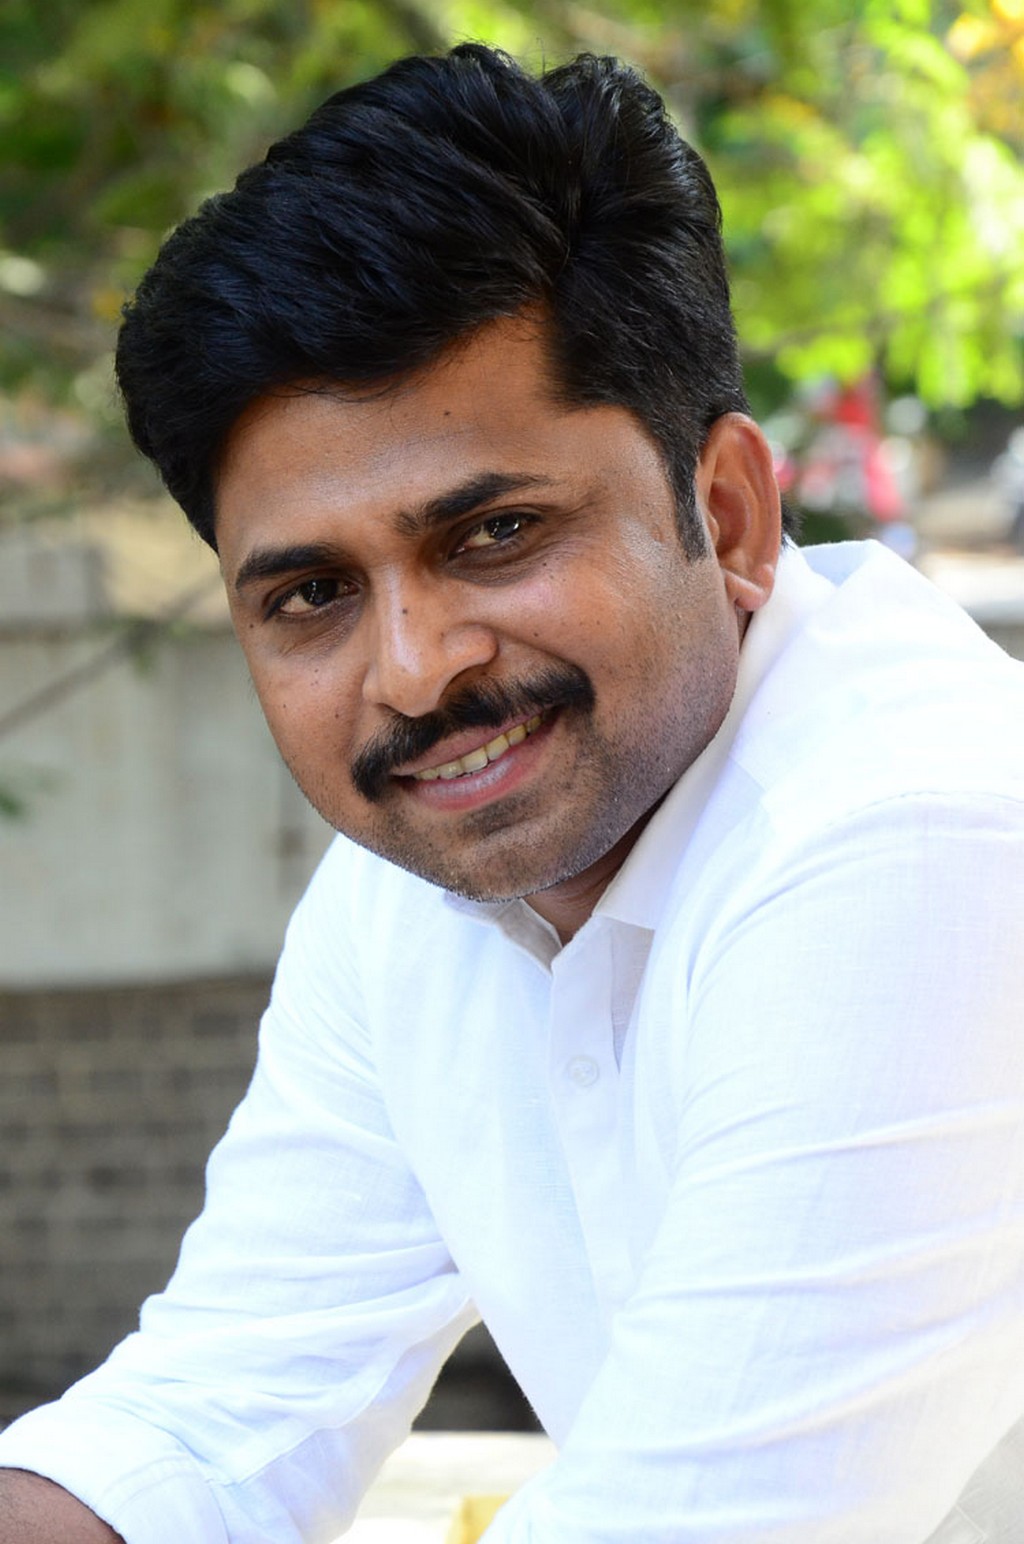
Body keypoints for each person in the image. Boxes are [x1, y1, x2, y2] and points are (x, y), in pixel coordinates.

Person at [1, 41, 1023, 1544]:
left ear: (728, 512)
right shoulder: (413, 889)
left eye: (493, 536)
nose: (415, 673)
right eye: (311, 595)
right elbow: (213, 1420)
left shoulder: (918, 836)